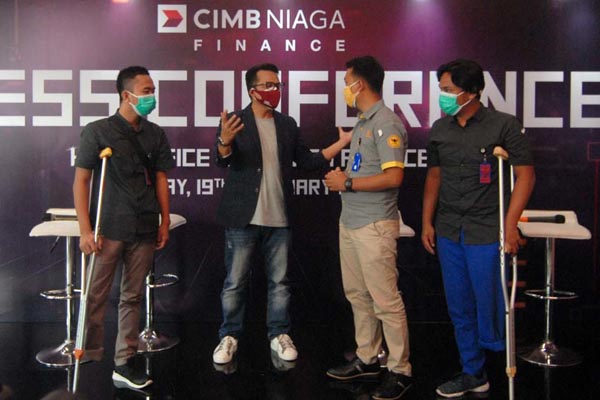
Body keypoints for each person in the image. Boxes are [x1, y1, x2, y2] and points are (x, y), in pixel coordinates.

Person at [212, 63, 351, 365]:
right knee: (235, 282)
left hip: (280, 219)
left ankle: (279, 334)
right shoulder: (234, 121)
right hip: (242, 219)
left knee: (280, 283)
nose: (275, 90)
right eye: (269, 85)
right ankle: (229, 335)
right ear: (253, 91)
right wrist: (224, 141)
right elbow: (222, 161)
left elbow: (306, 161)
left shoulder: (287, 124)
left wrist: (340, 144)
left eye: (278, 85)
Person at [421, 59, 535, 398]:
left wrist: (510, 226)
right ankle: (473, 372)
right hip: (449, 230)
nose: (442, 96)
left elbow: (525, 176)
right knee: (459, 305)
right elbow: (434, 177)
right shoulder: (440, 129)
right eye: (441, 90)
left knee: (489, 303)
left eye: (448, 90)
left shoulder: (504, 125)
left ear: (471, 92)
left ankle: (498, 361)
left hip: (486, 230)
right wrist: (427, 221)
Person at [73, 66, 173, 391]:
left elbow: (161, 178)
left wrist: (164, 220)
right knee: (96, 294)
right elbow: (82, 180)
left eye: (153, 90)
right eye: (146, 91)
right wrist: (85, 230)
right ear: (125, 95)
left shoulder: (155, 134)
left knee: (132, 296)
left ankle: (124, 363)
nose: (151, 96)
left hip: (144, 224)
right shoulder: (98, 131)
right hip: (108, 227)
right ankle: (89, 354)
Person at [324, 56, 413, 400]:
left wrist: (346, 183)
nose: (345, 88)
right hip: (351, 222)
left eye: (347, 81)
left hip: (374, 225)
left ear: (359, 84)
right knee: (358, 295)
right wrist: (347, 180)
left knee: (385, 300)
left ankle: (400, 370)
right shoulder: (363, 123)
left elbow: (394, 177)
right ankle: (367, 358)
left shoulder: (386, 123)